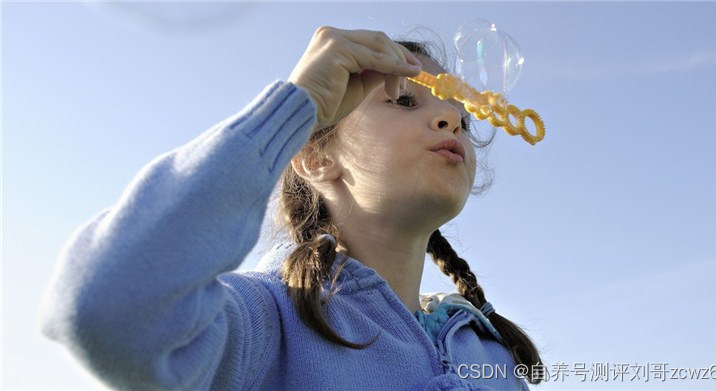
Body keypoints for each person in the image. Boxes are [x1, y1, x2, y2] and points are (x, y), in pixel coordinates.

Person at [39, 26, 544, 390]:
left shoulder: (490, 351)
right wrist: (296, 105)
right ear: (316, 157)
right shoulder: (270, 323)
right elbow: (107, 307)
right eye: (406, 101)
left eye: (460, 116)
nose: (448, 122)